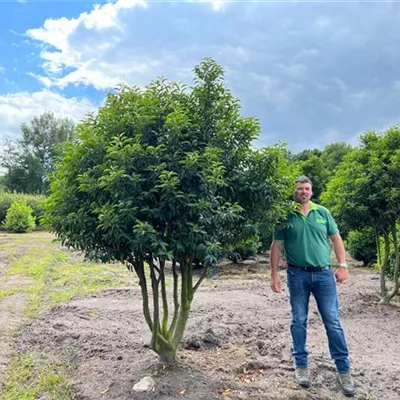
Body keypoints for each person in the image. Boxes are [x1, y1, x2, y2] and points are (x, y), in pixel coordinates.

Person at [270, 176, 356, 397]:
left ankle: (344, 370)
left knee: (332, 321)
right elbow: (276, 245)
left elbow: (336, 239)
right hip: (297, 274)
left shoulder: (323, 213)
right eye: (300, 189)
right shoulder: (285, 214)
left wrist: (343, 265)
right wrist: (274, 275)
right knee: (298, 320)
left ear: (311, 191)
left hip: (324, 275)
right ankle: (301, 367)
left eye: (307, 189)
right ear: (294, 191)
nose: (303, 192)